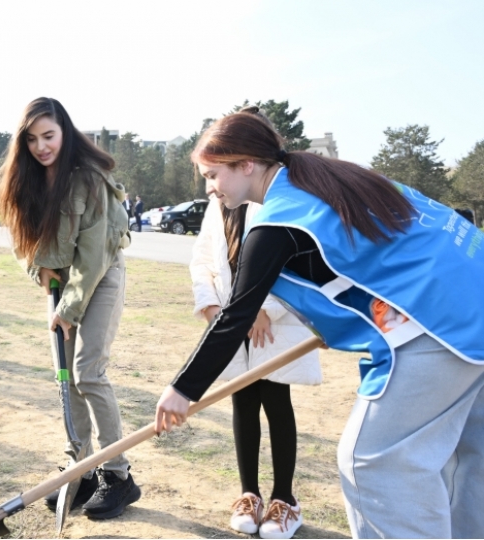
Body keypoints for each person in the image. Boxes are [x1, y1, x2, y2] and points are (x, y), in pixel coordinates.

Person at [154, 111, 484, 539]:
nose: (209, 188)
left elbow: (235, 316)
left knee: (371, 462)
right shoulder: (328, 181)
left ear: (246, 164)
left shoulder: (279, 220)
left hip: (442, 326)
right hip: (469, 307)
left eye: (212, 174)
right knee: (466, 455)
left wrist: (182, 389)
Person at [0, 97, 140, 520]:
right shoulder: (24, 179)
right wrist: (37, 273)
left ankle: (118, 475)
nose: (42, 147)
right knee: (66, 379)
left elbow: (94, 256)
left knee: (87, 372)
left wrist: (70, 309)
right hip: (58, 284)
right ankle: (83, 467)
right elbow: (22, 240)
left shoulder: (90, 179)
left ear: (64, 132)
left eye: (49, 136)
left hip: (101, 276)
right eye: (33, 139)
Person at [190, 196, 321, 536]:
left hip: (269, 322)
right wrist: (209, 305)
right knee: (242, 399)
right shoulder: (215, 205)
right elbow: (202, 259)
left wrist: (264, 307)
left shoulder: (273, 199)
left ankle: (285, 500)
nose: (212, 182)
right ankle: (249, 494)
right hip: (231, 319)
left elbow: (290, 259)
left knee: (276, 400)